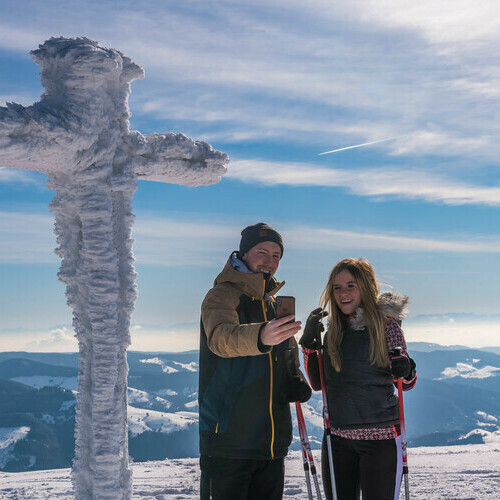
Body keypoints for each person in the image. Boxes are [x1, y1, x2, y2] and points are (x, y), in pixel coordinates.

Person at [198, 222, 312, 500]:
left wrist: (294, 378)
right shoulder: (222, 295)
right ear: (244, 254)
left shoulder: (272, 304)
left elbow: (286, 352)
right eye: (263, 252)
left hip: (271, 445)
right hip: (228, 445)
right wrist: (261, 335)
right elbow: (221, 339)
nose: (270, 262)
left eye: (276, 256)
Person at [299, 258, 417, 500]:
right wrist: (310, 346)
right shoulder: (333, 330)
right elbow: (318, 383)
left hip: (380, 439)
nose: (343, 293)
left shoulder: (387, 326)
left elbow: (405, 383)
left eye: (351, 285)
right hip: (338, 440)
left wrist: (406, 369)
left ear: (366, 287)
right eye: (337, 287)